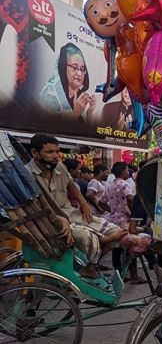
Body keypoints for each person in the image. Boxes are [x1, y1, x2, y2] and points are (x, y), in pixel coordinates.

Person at [25, 134, 125, 278]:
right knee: (86, 236)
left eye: (56, 151)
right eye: (49, 152)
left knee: (116, 230)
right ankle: (96, 251)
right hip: (49, 222)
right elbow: (33, 206)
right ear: (34, 152)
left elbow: (71, 185)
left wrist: (84, 204)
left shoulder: (59, 167)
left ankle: (97, 252)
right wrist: (59, 219)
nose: (55, 156)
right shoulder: (27, 174)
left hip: (71, 213)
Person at [101, 162, 148, 283]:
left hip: (113, 221)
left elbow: (102, 202)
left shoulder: (110, 185)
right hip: (124, 221)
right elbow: (130, 198)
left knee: (116, 248)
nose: (129, 172)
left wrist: (112, 210)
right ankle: (134, 276)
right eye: (127, 170)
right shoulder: (124, 184)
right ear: (122, 172)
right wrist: (134, 214)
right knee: (131, 246)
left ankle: (119, 275)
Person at [40, 43, 96, 127]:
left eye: (82, 69)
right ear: (63, 67)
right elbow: (50, 128)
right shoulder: (49, 94)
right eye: (74, 67)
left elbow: (87, 132)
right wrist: (75, 113)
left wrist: (90, 111)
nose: (79, 74)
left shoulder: (82, 98)